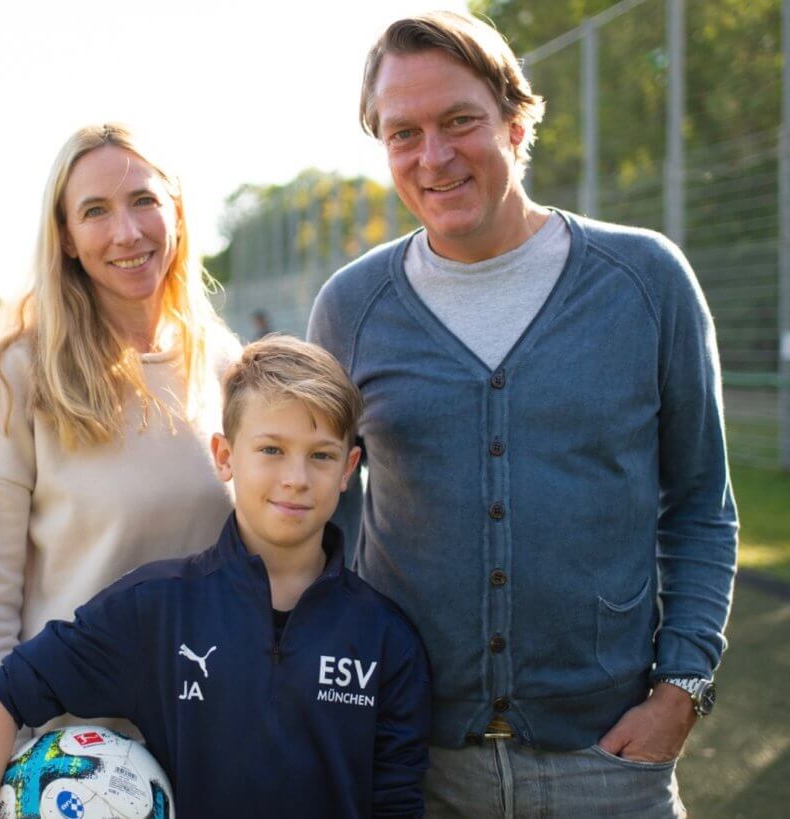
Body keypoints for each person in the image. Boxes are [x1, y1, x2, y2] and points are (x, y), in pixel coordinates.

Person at [307, 10, 737, 817]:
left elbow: (701, 507)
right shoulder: (351, 308)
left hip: (607, 761)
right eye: (403, 133)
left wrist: (681, 689)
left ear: (515, 118)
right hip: (411, 765)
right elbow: (317, 515)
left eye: (460, 120)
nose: (433, 156)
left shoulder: (645, 281)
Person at [0, 336, 431, 819]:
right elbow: (2, 698)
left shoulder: (386, 641)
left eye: (321, 456)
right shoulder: (156, 609)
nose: (296, 478)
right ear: (224, 456)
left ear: (350, 468)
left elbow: (397, 803)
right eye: (271, 449)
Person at [0, 123, 240, 745]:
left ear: (178, 214)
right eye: (95, 212)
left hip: (211, 739)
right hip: (76, 760)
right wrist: (10, 763)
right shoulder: (22, 371)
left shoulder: (222, 362)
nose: (127, 233)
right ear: (67, 238)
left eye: (144, 201)